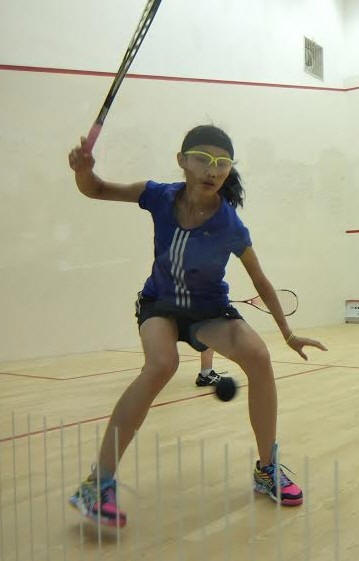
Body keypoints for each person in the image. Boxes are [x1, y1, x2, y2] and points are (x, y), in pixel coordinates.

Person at [68, 125, 327, 527]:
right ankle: (97, 484)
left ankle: (266, 469)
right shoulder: (158, 195)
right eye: (203, 159)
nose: (213, 169)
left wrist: (288, 334)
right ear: (182, 161)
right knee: (161, 365)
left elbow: (260, 280)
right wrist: (83, 171)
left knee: (259, 358)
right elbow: (96, 189)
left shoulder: (229, 224)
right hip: (160, 305)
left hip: (208, 311)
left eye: (222, 163)